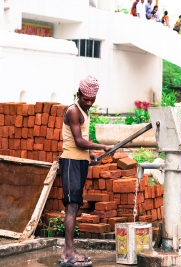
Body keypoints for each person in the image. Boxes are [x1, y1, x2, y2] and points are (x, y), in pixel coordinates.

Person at [59, 76, 113, 267]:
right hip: (71, 162)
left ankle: (69, 250)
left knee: (75, 206)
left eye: (92, 100)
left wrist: (91, 154)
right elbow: (78, 141)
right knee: (72, 206)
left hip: (80, 162)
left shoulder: (84, 110)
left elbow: (85, 137)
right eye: (86, 99)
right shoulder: (73, 111)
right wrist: (101, 146)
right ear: (78, 94)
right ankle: (68, 253)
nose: (89, 103)